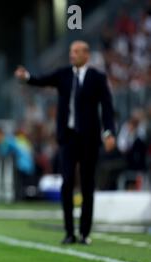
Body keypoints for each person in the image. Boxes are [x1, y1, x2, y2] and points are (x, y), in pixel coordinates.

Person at [15, 40, 116, 245]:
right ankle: (69, 232)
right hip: (68, 138)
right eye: (71, 51)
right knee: (67, 182)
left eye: (76, 52)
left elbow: (106, 107)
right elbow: (42, 80)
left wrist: (109, 132)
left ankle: (85, 233)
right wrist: (27, 77)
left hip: (89, 138)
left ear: (86, 55)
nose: (72, 55)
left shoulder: (97, 78)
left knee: (87, 184)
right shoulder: (63, 75)